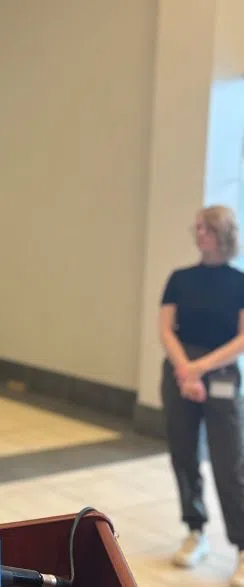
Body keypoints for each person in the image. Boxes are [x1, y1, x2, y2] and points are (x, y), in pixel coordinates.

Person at [159, 205, 244, 585]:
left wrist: (199, 368)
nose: (199, 234)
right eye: (196, 228)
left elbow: (242, 338)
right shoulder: (180, 278)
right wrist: (185, 369)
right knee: (184, 454)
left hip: (220, 373)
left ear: (223, 233)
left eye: (206, 228)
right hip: (180, 372)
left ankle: (242, 545)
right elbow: (166, 329)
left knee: (230, 462)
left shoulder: (239, 282)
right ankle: (195, 530)